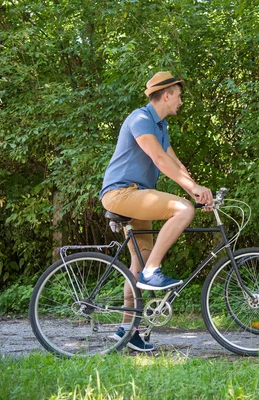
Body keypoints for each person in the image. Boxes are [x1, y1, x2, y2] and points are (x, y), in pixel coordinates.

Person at [99, 71, 213, 351]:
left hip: (139, 196)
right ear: (166, 95)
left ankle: (128, 330)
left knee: (137, 264)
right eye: (179, 95)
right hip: (122, 193)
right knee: (183, 211)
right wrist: (190, 198)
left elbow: (176, 164)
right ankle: (153, 271)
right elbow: (159, 159)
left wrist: (196, 190)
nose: (181, 101)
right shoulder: (140, 119)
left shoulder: (161, 126)